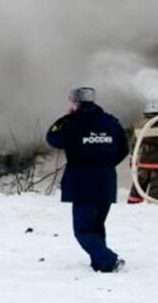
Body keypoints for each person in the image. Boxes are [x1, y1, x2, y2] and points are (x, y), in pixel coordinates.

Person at [46, 87, 129, 273]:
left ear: (75, 103)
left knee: (83, 229)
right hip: (106, 182)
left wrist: (65, 118)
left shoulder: (72, 123)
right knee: (96, 226)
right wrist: (105, 164)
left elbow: (52, 138)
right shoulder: (111, 122)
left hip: (82, 184)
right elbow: (124, 148)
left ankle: (108, 261)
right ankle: (100, 263)